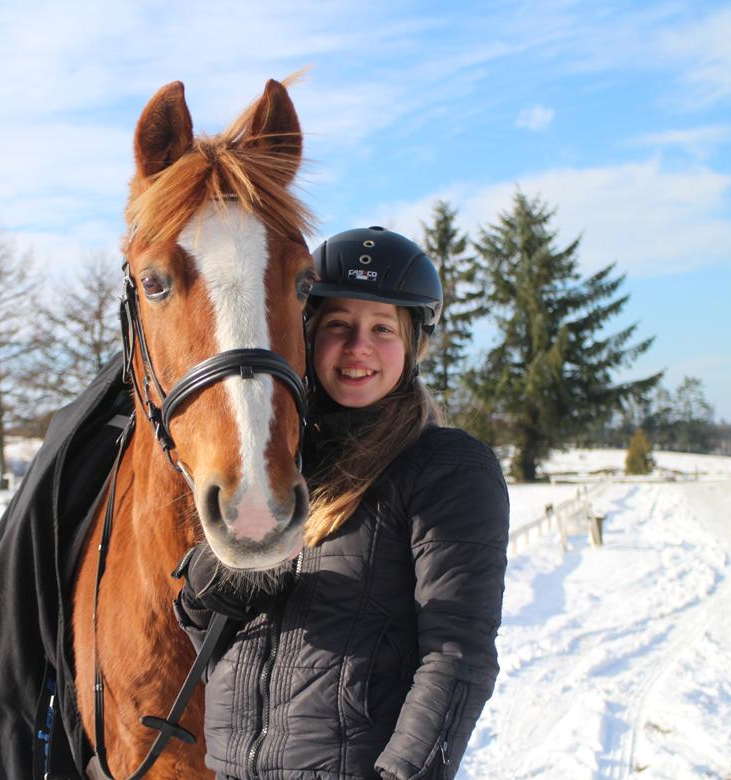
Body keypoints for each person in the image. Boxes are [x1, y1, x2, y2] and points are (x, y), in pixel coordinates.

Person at [174, 226, 510, 780]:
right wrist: (228, 570)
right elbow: (203, 634)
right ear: (306, 334)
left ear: (413, 345)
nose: (358, 348)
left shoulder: (448, 467)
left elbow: (457, 656)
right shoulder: (276, 465)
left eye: (383, 328)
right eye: (338, 326)